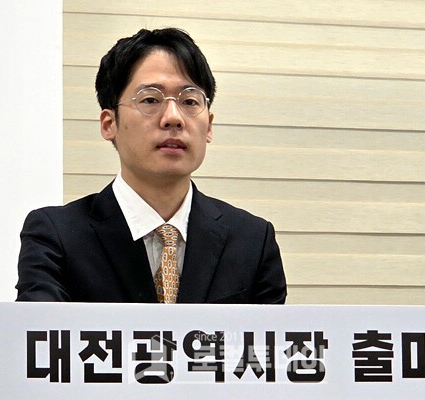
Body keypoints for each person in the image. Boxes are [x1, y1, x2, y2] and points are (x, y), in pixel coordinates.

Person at [16, 28, 286, 304]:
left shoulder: (253, 241)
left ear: (209, 126)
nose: (173, 117)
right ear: (109, 124)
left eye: (189, 101)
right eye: (150, 100)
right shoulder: (56, 236)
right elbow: (41, 329)